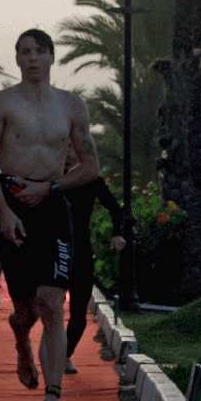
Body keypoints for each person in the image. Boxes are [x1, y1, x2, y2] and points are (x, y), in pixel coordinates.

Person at [0, 28, 99, 401]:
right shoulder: (0, 103)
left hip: (52, 207)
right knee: (26, 309)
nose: (32, 58)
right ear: (17, 59)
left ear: (51, 57)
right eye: (25, 52)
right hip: (13, 205)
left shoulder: (71, 106)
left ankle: (52, 398)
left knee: (52, 303)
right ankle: (20, 340)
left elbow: (90, 166)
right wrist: (3, 211)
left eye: (39, 51)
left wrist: (52, 187)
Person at [63, 148, 125, 374]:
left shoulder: (90, 180)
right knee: (49, 308)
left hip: (80, 250)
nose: (68, 153)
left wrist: (117, 234)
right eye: (64, 146)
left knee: (79, 312)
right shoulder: (47, 180)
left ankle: (65, 354)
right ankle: (49, 354)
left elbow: (115, 209)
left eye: (72, 147)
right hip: (53, 251)